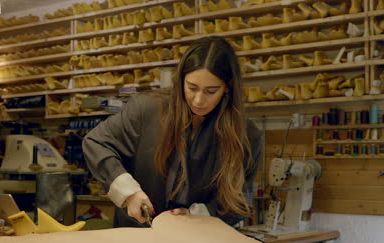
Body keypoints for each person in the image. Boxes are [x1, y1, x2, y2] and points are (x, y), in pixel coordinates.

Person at [83, 36, 263, 228]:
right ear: (181, 80)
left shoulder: (246, 135)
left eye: (211, 91)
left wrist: (199, 215)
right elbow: (96, 142)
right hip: (136, 237)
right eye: (192, 88)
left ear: (228, 87)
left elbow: (239, 202)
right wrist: (129, 192)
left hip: (197, 242)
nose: (198, 101)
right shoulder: (147, 109)